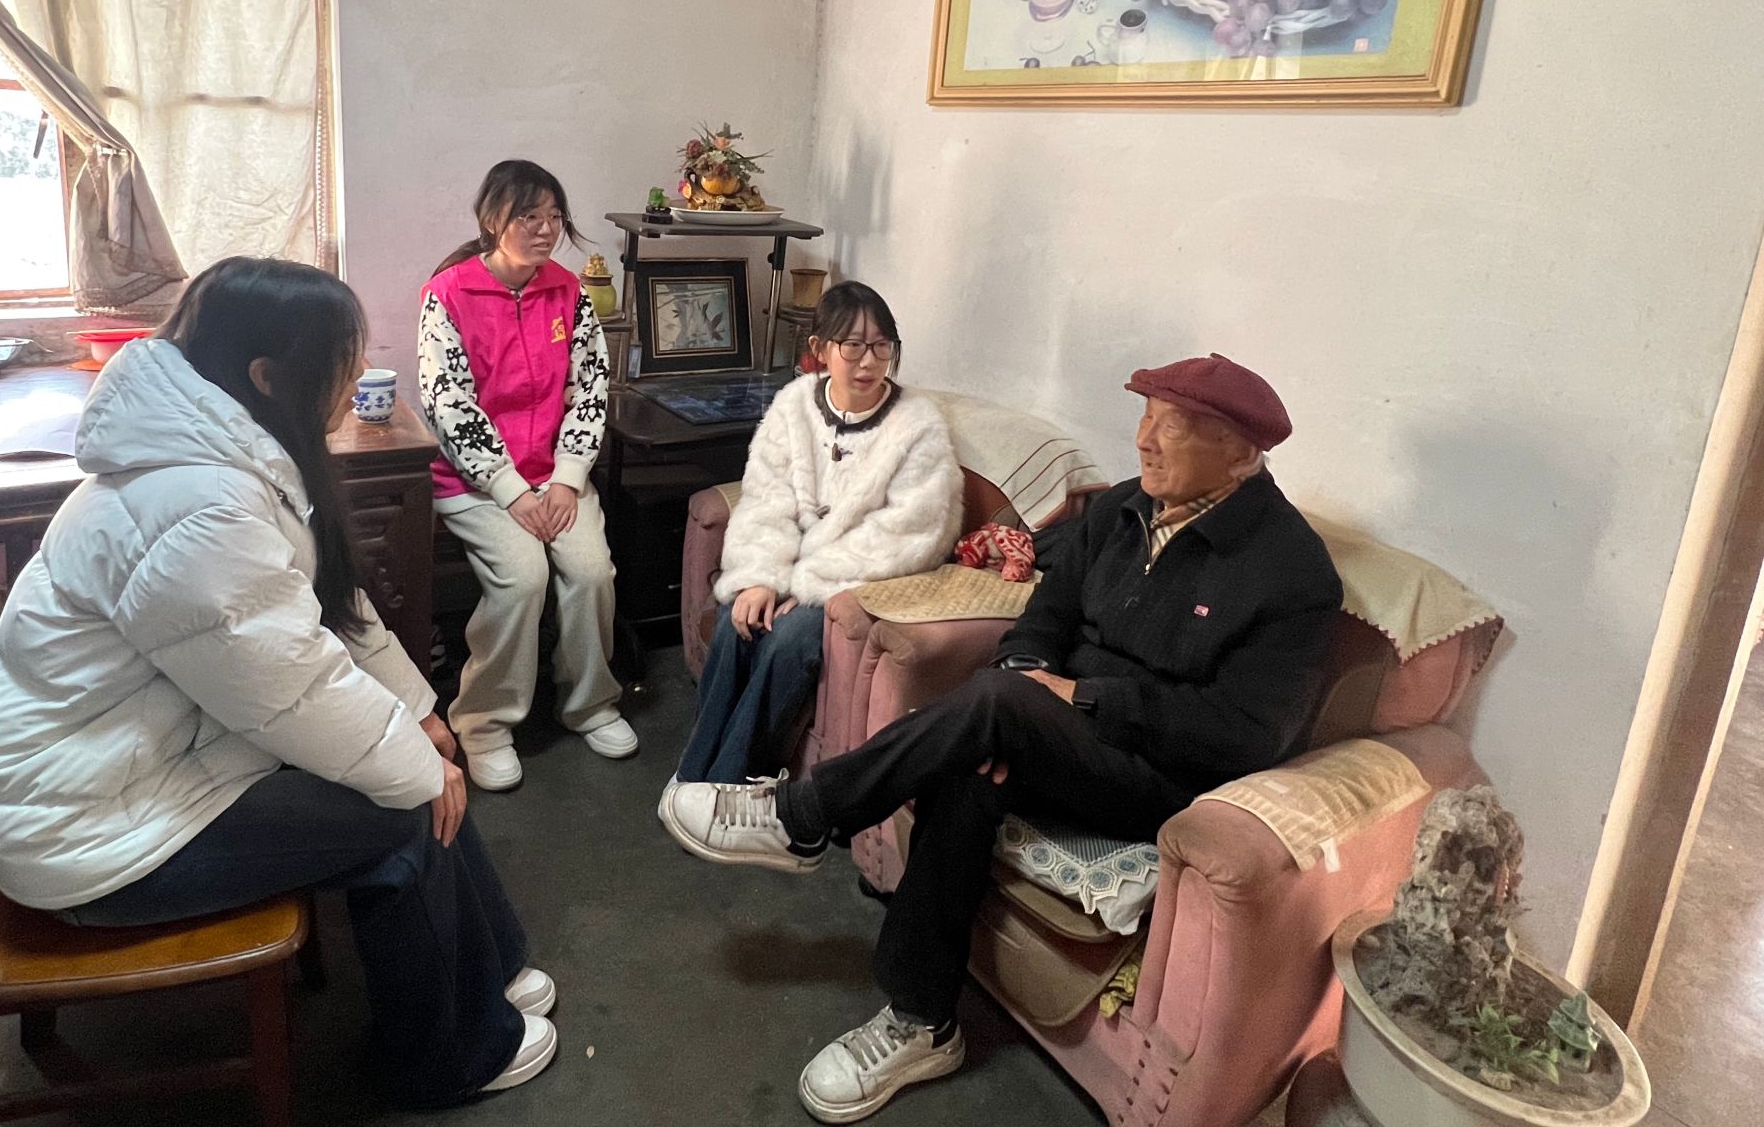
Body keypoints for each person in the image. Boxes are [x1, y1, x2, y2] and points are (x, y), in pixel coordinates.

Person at [663, 353, 1342, 1123]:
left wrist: (1076, 698)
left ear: (1240, 452)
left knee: (998, 704)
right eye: (1145, 417)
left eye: (1173, 427)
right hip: (1057, 735)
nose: (1145, 439)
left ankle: (803, 817)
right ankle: (923, 1022)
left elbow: (1244, 735)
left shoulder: (1291, 572)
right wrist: (1023, 689)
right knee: (969, 764)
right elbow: (1042, 621)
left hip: (1161, 777)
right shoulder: (1124, 510)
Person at [0, 258, 556, 1106]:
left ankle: (487, 970)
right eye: (343, 363)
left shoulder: (222, 452)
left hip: (131, 769)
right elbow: (289, 683)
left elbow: (325, 609)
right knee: (405, 812)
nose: (359, 379)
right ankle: (447, 1059)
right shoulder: (197, 505)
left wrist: (419, 712)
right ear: (269, 377)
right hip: (89, 830)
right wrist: (415, 765)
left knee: (420, 761)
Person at [666, 281, 960, 800]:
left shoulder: (918, 426)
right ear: (820, 348)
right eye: (853, 345)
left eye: (882, 346)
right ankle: (694, 773)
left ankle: (733, 785)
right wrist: (763, 576)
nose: (868, 361)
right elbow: (766, 496)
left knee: (789, 638)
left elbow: (912, 528)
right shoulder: (794, 405)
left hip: (851, 575)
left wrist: (811, 582)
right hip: (791, 560)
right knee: (739, 620)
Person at [420, 160, 634, 791]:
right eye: (529, 216)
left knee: (592, 573)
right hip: (478, 483)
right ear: (493, 219)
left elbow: (590, 390)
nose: (546, 229)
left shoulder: (569, 293)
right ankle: (484, 723)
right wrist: (510, 490)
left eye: (554, 216)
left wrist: (567, 478)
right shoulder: (448, 294)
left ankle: (590, 703)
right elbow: (447, 404)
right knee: (522, 579)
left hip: (558, 478)